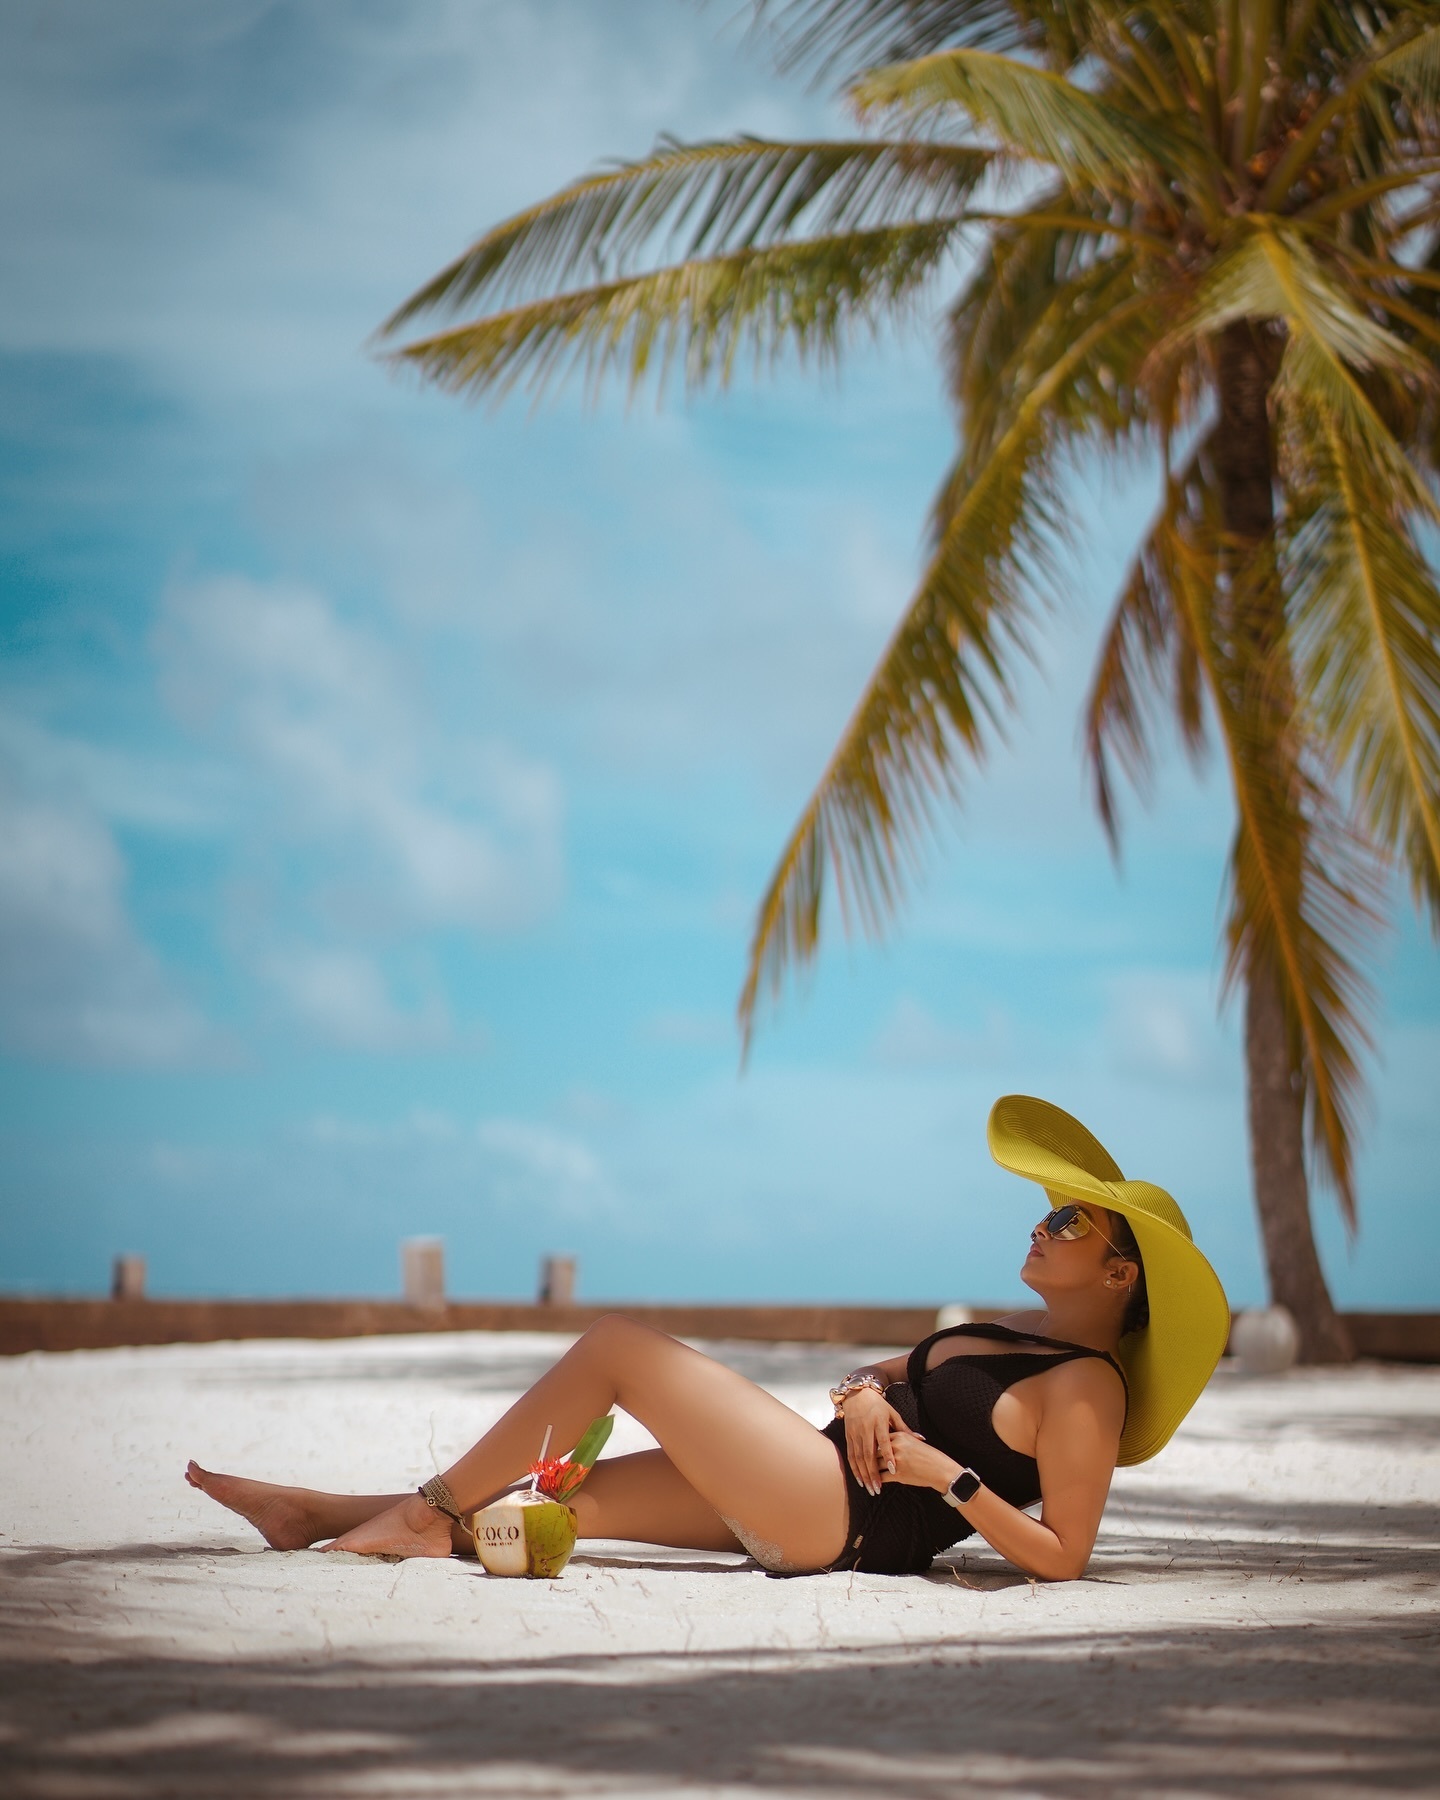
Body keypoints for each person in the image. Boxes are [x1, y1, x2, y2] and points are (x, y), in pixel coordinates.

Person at [187, 1096, 1229, 1581]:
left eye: (1070, 1221)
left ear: (1120, 1274)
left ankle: (420, 1513)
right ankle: (318, 1512)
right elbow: (875, 1374)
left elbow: (1065, 1557)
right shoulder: (1009, 1334)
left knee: (618, 1346)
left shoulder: (1089, 1391)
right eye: (1049, 1211)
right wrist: (864, 1392)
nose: (1042, 1226)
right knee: (544, 1513)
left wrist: (944, 1477)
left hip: (846, 1520)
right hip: (808, 1475)